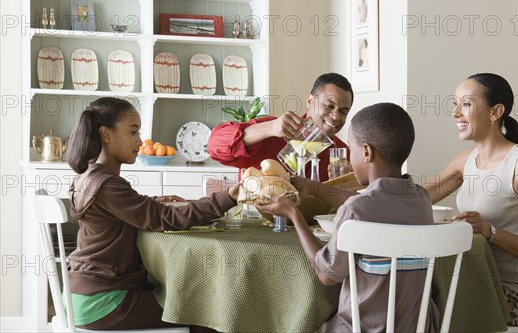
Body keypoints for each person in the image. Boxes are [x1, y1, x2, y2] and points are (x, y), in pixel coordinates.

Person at [257, 103, 440, 332]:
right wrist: (314, 187)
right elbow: (373, 203)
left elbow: (326, 274)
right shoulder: (421, 199)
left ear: (366, 152)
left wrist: (293, 214)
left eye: (351, 151)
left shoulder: (357, 209)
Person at [66, 97, 239, 331]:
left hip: (80, 293)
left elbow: (116, 211)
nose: (140, 141)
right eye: (133, 132)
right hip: (104, 302)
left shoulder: (89, 176)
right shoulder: (109, 185)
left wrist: (151, 202)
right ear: (106, 135)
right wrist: (229, 197)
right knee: (207, 310)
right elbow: (168, 219)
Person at [425, 73, 518, 326]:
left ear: (495, 112)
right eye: (455, 103)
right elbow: (418, 198)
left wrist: (489, 230)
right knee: (413, 295)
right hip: (476, 283)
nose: (455, 113)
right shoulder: (466, 160)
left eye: (466, 104)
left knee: (431, 305)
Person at [208, 72, 354, 181]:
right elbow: (214, 146)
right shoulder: (271, 131)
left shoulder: (343, 155)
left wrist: (350, 182)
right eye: (329, 106)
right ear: (310, 101)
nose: (335, 116)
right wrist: (269, 128)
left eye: (343, 111)